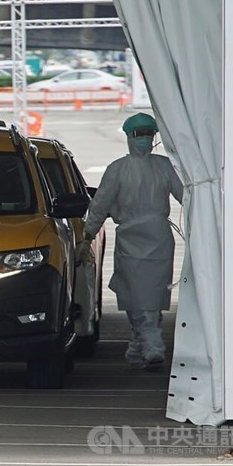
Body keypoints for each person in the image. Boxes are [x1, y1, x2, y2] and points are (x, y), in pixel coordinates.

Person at [78, 112, 183, 371]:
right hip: (153, 238)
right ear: (128, 137)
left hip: (140, 239)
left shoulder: (121, 168)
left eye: (148, 134)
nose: (143, 140)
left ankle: (152, 345)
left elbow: (99, 205)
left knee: (143, 295)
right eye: (139, 135)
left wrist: (87, 234)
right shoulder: (163, 166)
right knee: (145, 294)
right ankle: (139, 347)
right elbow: (188, 197)